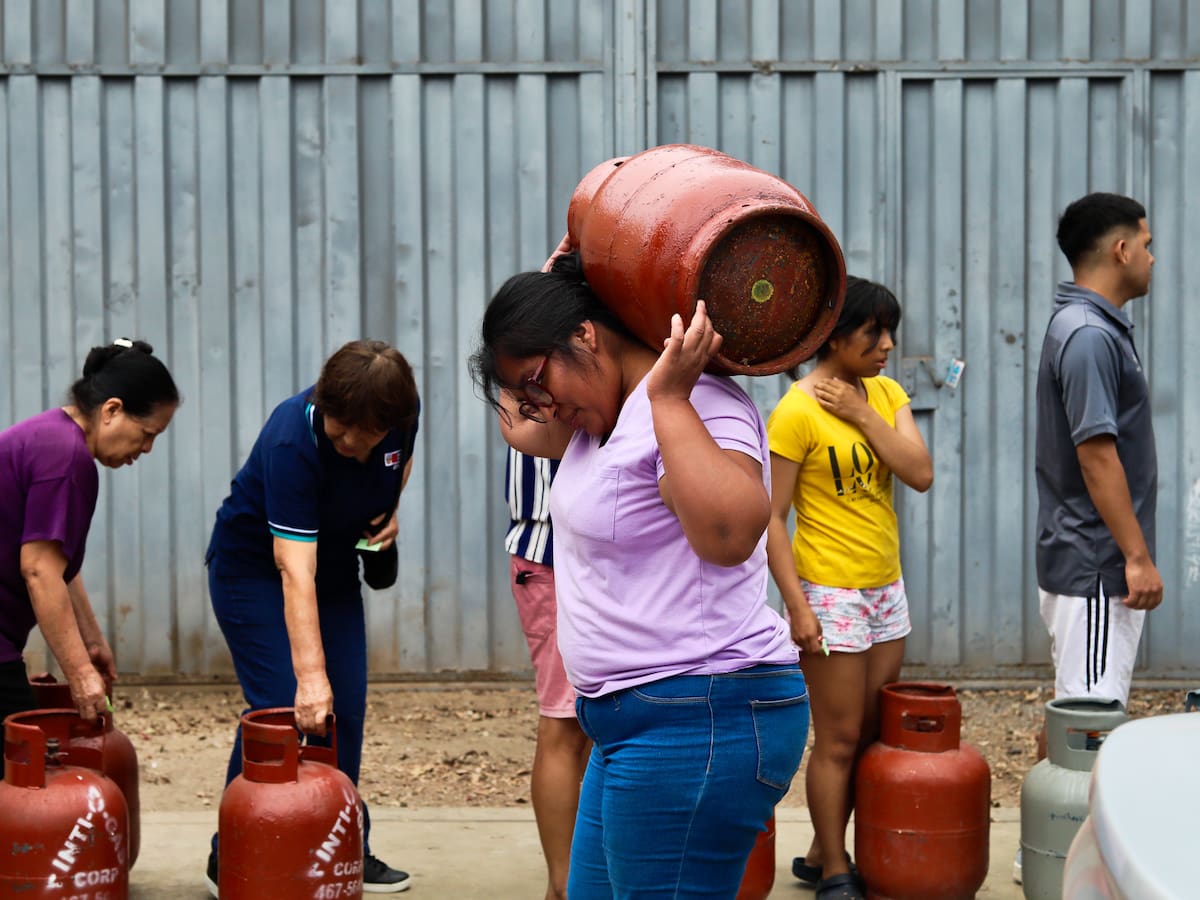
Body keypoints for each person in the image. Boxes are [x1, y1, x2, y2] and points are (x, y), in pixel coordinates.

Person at [469, 252, 809, 899]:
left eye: (539, 381)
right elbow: (518, 427)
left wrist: (671, 399)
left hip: (701, 714)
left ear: (586, 336)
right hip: (635, 722)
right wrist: (543, 301)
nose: (539, 405)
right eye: (529, 392)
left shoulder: (700, 402)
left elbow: (731, 535)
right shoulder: (595, 418)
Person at [204, 340, 419, 896]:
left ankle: (342, 845)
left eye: (354, 434)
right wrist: (310, 675)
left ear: (385, 425)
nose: (341, 439)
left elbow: (398, 466)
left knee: (343, 710)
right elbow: (293, 569)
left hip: (334, 567)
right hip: (253, 571)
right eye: (335, 427)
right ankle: (232, 855)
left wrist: (387, 516)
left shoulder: (402, 416)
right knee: (283, 707)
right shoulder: (291, 439)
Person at [765, 277, 932, 900]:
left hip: (885, 588)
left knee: (869, 733)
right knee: (836, 739)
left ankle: (820, 849)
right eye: (873, 333)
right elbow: (770, 518)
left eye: (890, 332)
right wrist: (797, 606)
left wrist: (862, 413)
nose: (887, 345)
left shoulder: (885, 394)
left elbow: (919, 472)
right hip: (830, 593)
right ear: (833, 337)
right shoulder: (795, 411)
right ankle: (837, 869)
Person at [0, 339, 178, 724]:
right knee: (23, 752)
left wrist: (91, 640)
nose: (147, 448)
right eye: (147, 433)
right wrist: (80, 673)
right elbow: (39, 571)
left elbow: (57, 562)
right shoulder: (67, 458)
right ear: (112, 410)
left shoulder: (54, 435)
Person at [504, 448, 590, 900]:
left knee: (601, 719)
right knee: (565, 721)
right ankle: (564, 884)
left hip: (604, 550)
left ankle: (582, 878)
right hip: (553, 549)